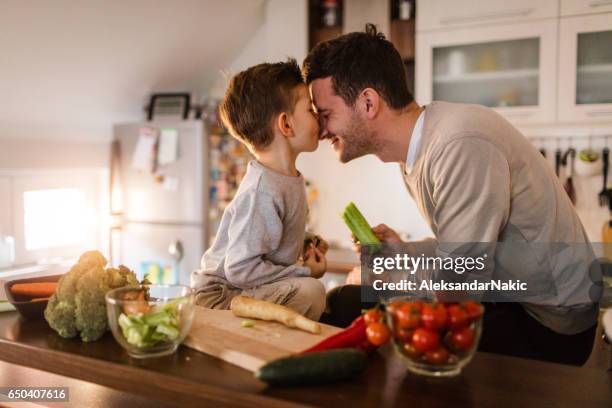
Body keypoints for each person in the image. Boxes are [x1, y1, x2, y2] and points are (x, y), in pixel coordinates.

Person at [304, 24, 600, 365]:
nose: (322, 130)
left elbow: (459, 284)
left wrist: (389, 270)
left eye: (326, 114)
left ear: (368, 102)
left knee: (346, 303)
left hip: (549, 323)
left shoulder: (458, 144)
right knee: (354, 304)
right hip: (518, 302)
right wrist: (404, 251)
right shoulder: (418, 151)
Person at [191, 59, 328, 321]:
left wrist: (304, 239)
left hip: (241, 287)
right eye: (310, 110)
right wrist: (304, 272)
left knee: (311, 293)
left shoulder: (285, 179)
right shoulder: (262, 191)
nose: (318, 116)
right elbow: (240, 268)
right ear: (286, 125)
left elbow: (269, 236)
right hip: (220, 296)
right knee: (311, 292)